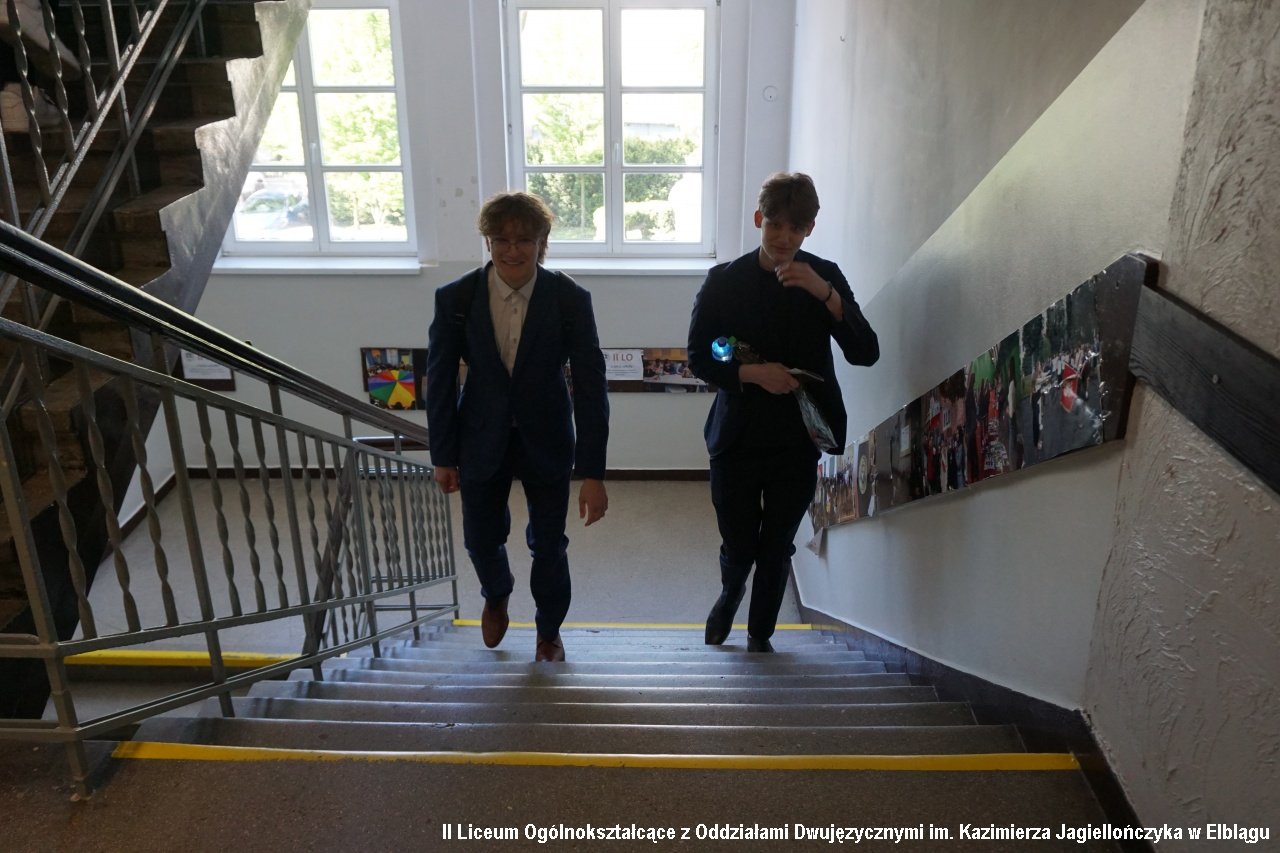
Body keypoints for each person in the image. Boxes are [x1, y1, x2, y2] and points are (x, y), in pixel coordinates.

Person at [687, 172, 879, 653]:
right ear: (759, 219)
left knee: (777, 544)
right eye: (775, 225)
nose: (784, 238)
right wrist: (753, 374)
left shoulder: (824, 277)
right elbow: (699, 356)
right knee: (738, 542)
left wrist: (825, 294)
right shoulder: (724, 281)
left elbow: (866, 352)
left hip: (798, 437)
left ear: (810, 229)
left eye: (796, 229)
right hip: (736, 434)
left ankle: (761, 634)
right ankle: (731, 591)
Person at [426, 191, 609, 663]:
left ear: (542, 243)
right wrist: (443, 455)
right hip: (479, 436)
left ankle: (548, 631)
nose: (512, 250)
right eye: (501, 239)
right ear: (487, 241)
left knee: (549, 545)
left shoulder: (569, 299)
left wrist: (593, 472)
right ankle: (497, 593)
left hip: (547, 437)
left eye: (524, 240)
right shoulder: (456, 298)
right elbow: (440, 379)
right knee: (480, 539)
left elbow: (591, 387)